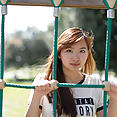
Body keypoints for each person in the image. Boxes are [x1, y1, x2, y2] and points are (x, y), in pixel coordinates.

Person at [24, 27, 117, 117]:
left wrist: (114, 98)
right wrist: (37, 95)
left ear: (88, 53)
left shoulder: (95, 83)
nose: (76, 58)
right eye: (69, 50)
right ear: (59, 53)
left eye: (82, 51)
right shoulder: (44, 80)